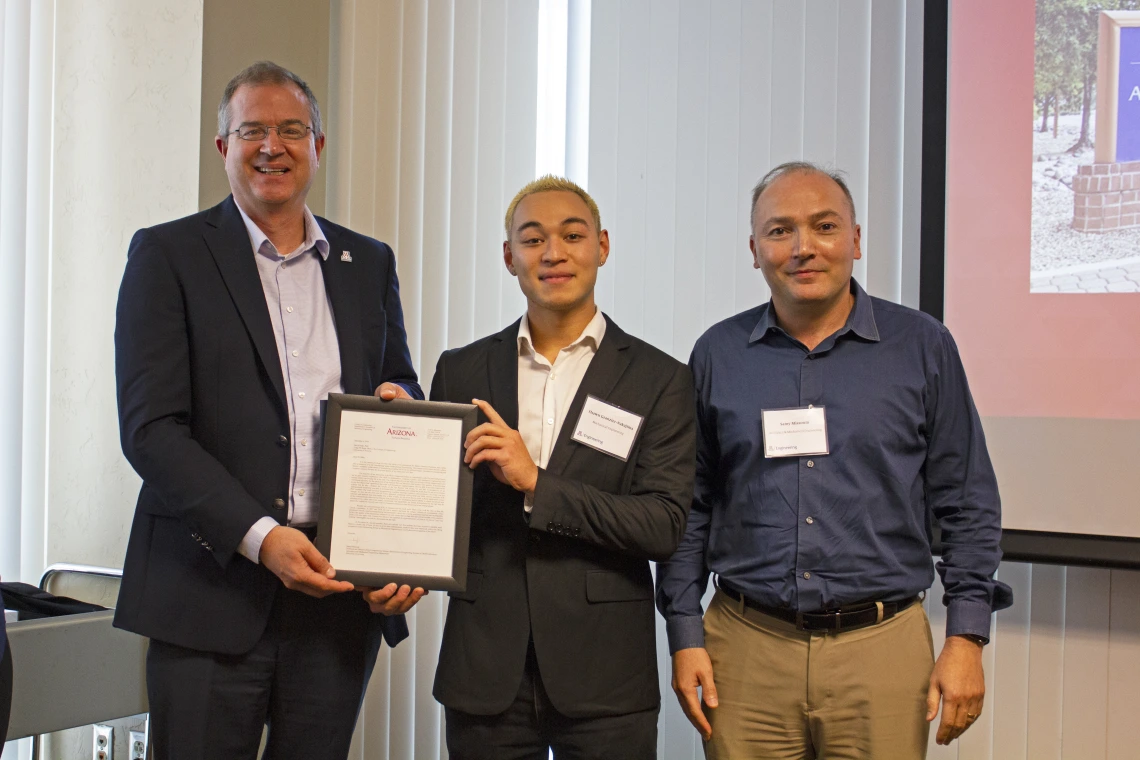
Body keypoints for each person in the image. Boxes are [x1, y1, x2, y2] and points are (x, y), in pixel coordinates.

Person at [113, 61, 425, 759]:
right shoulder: (168, 255)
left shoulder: (367, 262)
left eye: (291, 130)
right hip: (207, 591)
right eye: (251, 130)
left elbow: (398, 384)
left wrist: (404, 416)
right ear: (223, 148)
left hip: (337, 598)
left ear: (318, 146)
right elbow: (150, 430)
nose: (271, 146)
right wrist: (260, 536)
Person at [656, 161, 1013, 759]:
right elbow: (692, 505)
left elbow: (966, 500)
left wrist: (967, 637)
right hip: (745, 649)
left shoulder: (922, 347)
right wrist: (684, 632)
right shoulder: (718, 354)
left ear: (855, 239)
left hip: (881, 647)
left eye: (823, 226)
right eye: (779, 231)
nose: (803, 248)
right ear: (754, 250)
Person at [430, 176, 696, 758]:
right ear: (509, 257)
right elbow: (441, 513)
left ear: (602, 246)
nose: (553, 253)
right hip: (484, 668)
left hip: (605, 673)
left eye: (572, 235)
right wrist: (400, 440)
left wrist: (536, 485)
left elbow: (662, 524)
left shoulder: (661, 379)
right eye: (532, 239)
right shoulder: (460, 370)